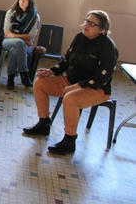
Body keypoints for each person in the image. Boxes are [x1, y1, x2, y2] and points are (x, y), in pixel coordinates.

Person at [23, 10, 118, 155]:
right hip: (71, 81)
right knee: (40, 83)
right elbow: (66, 60)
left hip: (96, 88)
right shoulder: (79, 37)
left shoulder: (108, 47)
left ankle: (69, 140)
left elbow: (102, 77)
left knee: (70, 98)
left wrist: (78, 86)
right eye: (87, 21)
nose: (87, 25)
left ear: (102, 29)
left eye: (92, 24)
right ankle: (43, 124)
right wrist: (51, 72)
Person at [2, 0, 40, 90]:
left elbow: (30, 36)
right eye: (20, 0)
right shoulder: (10, 13)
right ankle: (24, 75)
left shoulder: (35, 17)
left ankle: (10, 78)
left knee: (16, 49)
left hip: (25, 45)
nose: (22, 2)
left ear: (30, 2)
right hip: (8, 41)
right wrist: (23, 38)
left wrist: (16, 36)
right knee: (19, 43)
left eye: (25, 0)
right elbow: (7, 33)